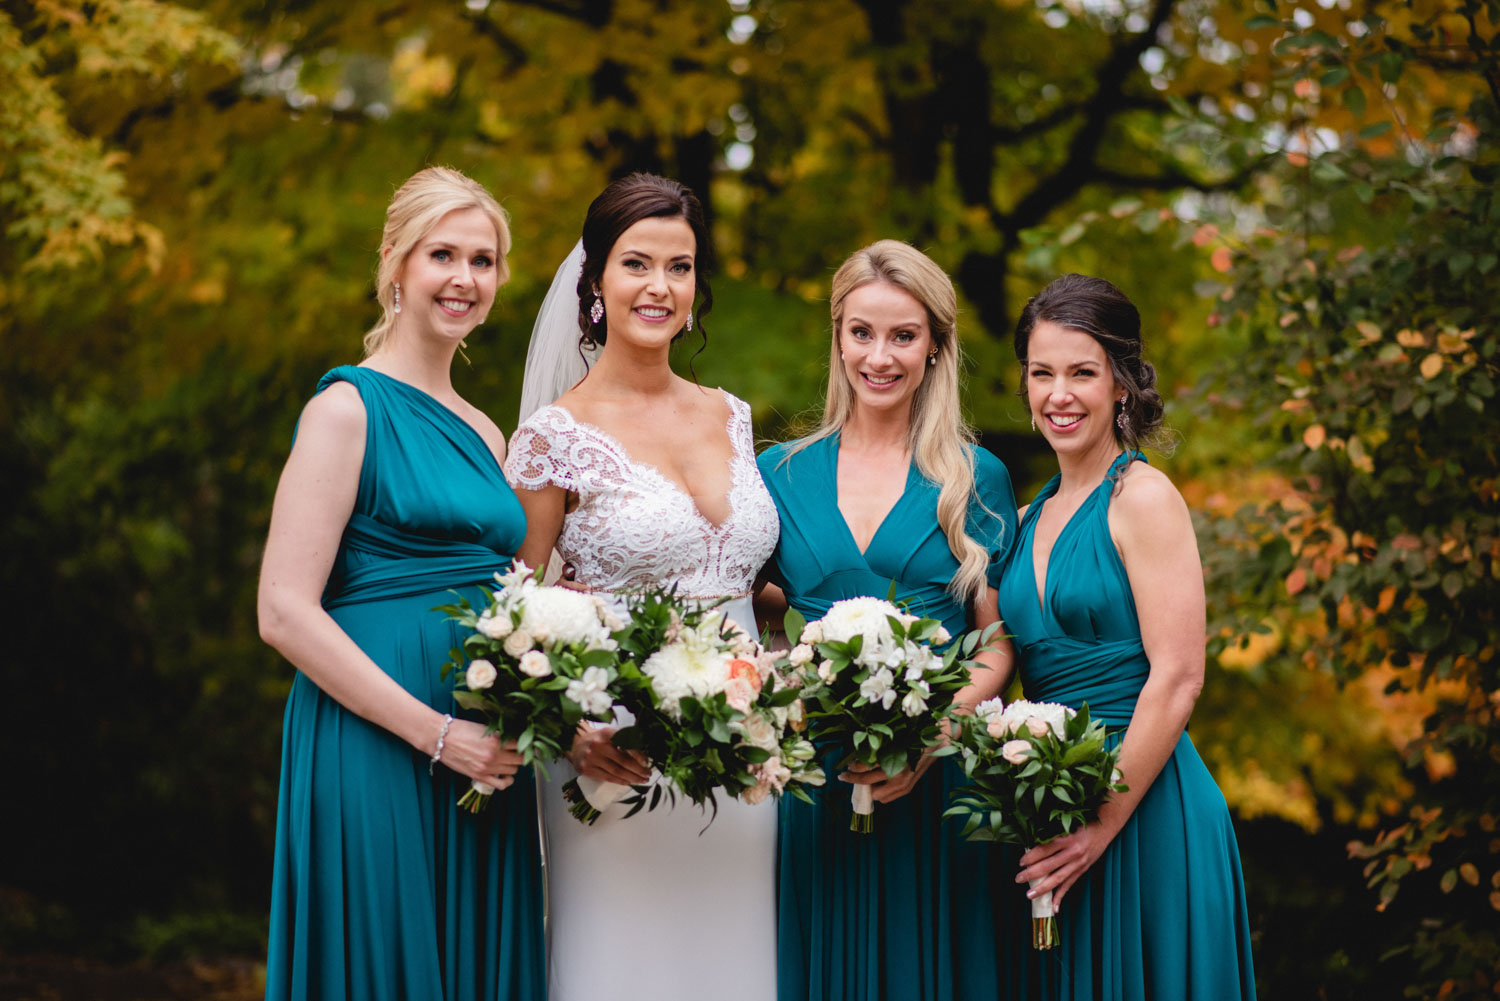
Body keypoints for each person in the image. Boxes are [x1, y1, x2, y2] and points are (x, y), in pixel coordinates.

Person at [258, 167, 545, 1001]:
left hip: (486, 746)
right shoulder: (346, 409)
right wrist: (436, 734)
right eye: (442, 254)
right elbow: (283, 610)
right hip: (378, 737)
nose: (465, 278)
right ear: (395, 262)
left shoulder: (485, 431)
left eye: (483, 260)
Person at [503, 173, 781, 1001]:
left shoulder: (732, 415)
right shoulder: (553, 436)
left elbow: (746, 582)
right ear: (595, 280)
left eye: (679, 266)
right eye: (637, 264)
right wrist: (570, 730)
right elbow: (512, 614)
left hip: (744, 753)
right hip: (614, 754)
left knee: (737, 960)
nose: (660, 286)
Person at [757, 240, 1019, 1001]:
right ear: (838, 337)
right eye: (862, 333)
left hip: (936, 777)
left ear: (934, 346)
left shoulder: (974, 477)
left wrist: (933, 738)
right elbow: (751, 609)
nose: (880, 356)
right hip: (816, 777)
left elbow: (996, 642)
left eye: (903, 336)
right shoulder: (778, 473)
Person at [998, 273, 1256, 1000]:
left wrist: (1100, 826)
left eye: (1082, 373)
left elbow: (1179, 677)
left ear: (1121, 383)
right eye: (1041, 373)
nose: (1059, 394)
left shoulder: (1143, 497)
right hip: (1052, 811)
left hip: (1145, 809)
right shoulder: (1022, 521)